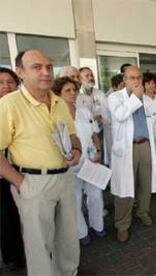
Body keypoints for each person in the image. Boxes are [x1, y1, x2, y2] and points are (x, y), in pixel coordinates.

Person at [0, 49, 80, 275]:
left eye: (49, 67)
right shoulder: (9, 105)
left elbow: (73, 135)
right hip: (32, 183)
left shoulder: (59, 102)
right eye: (37, 67)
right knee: (39, 246)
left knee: (67, 240)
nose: (45, 72)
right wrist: (21, 184)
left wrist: (76, 149)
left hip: (64, 178)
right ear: (20, 72)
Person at [108, 66, 156, 242]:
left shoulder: (149, 101)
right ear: (124, 80)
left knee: (146, 183)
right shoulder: (115, 97)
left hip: (146, 146)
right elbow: (120, 115)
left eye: (138, 78)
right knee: (125, 189)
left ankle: (143, 211)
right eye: (132, 78)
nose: (136, 81)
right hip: (127, 149)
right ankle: (122, 224)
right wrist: (136, 97)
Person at [52, 77, 105, 246]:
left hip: (90, 161)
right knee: (74, 200)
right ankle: (81, 233)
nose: (73, 93)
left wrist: (98, 151)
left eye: (74, 90)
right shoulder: (54, 117)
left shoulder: (84, 111)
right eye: (67, 90)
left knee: (95, 195)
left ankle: (97, 225)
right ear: (58, 94)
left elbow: (94, 134)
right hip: (70, 165)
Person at [0, 67, 25, 270]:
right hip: (3, 176)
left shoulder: (20, 108)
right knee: (6, 219)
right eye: (1, 82)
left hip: (22, 170)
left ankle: (23, 251)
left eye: (10, 81)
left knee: (19, 216)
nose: (6, 86)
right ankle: (13, 257)